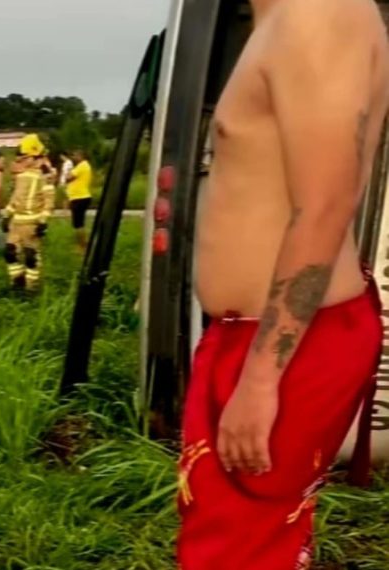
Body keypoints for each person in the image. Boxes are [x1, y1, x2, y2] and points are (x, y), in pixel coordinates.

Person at [177, 1, 389, 569]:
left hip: (283, 341)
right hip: (266, 335)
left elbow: (325, 205)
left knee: (233, 554)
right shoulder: (284, 18)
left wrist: (262, 378)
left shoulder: (316, 15)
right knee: (249, 544)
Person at [3, 134, 54, 291]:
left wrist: (43, 221)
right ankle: (17, 282)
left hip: (32, 223)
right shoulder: (21, 176)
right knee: (10, 253)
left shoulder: (45, 176)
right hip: (16, 223)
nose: (21, 161)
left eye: (25, 158)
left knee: (31, 256)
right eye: (21, 158)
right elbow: (16, 197)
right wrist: (6, 215)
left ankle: (31, 288)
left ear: (34, 157)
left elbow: (49, 201)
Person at [65, 150, 94, 252]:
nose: (74, 157)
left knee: (78, 224)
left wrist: (68, 168)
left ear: (81, 156)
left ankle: (82, 246)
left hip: (79, 197)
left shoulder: (81, 166)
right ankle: (84, 243)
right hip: (80, 197)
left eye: (75, 155)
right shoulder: (85, 166)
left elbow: (68, 177)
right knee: (79, 223)